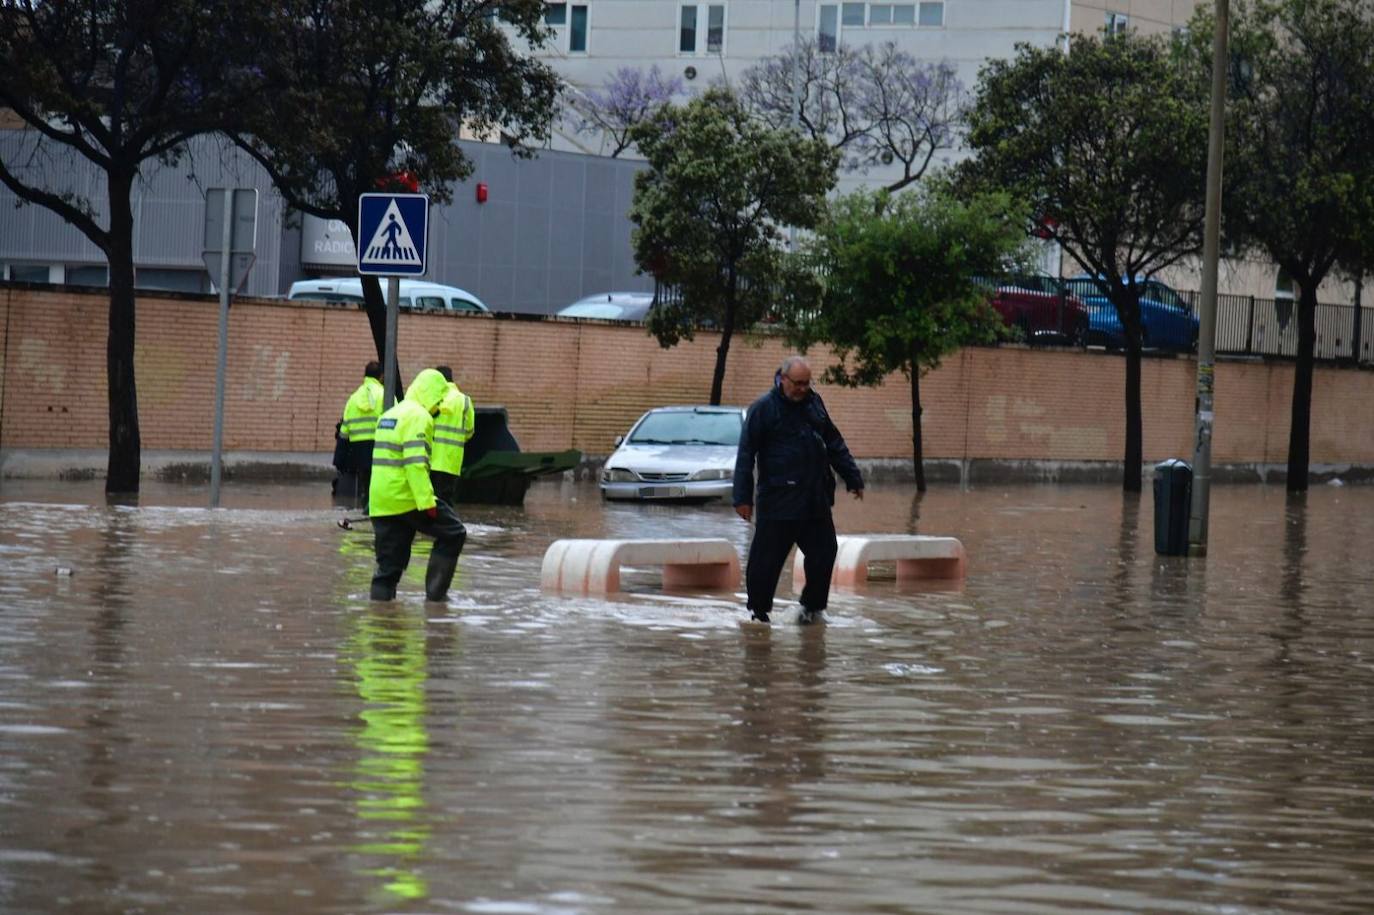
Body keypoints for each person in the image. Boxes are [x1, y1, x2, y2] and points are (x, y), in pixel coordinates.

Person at [733, 355, 864, 624]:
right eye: (798, 383)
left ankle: (811, 610)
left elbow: (833, 441)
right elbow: (746, 454)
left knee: (825, 553)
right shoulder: (763, 409)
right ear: (783, 380)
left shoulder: (814, 403)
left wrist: (852, 476)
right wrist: (742, 498)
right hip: (779, 502)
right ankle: (758, 614)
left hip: (814, 500)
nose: (803, 388)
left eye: (807, 383)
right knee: (765, 563)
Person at [368, 368, 468, 602]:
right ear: (431, 393)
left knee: (387, 571)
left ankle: (381, 621)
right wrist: (427, 503)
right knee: (454, 533)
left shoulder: (390, 415)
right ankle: (436, 597)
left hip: (381, 503)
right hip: (407, 499)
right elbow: (415, 465)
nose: (438, 407)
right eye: (438, 400)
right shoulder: (419, 416)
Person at [340, 361, 385, 506]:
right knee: (378, 480)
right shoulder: (385, 395)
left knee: (364, 480)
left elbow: (345, 426)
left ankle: (365, 504)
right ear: (381, 377)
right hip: (379, 445)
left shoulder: (354, 397)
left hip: (358, 447)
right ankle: (373, 508)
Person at [430, 365, 476, 505]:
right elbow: (469, 430)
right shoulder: (465, 400)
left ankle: (429, 526)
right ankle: (446, 525)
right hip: (452, 461)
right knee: (446, 499)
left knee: (430, 499)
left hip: (431, 459)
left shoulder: (432, 399)